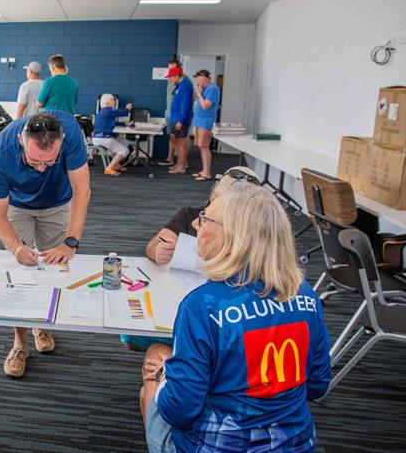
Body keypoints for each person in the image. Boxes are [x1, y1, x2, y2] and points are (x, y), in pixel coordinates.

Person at [140, 184, 331, 452]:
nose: (196, 223)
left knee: (155, 356)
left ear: (234, 237)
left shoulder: (201, 306)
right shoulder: (306, 295)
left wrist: (163, 376)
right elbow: (318, 385)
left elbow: (180, 412)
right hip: (296, 444)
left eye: (206, 218)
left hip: (217, 445)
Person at [0, 111, 91, 377]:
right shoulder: (2, 149)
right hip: (18, 205)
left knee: (52, 267)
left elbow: (83, 191)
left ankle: (41, 324)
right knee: (19, 272)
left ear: (62, 141)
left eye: (50, 161)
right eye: (35, 161)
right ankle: (20, 341)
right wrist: (17, 248)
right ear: (22, 141)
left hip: (57, 202)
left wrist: (71, 242)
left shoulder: (71, 133)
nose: (42, 168)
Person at [121, 166, 261, 353]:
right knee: (136, 337)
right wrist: (158, 250)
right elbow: (155, 243)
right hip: (184, 302)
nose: (198, 224)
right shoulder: (192, 216)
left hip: (223, 318)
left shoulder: (256, 237)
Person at [92, 93, 133, 176]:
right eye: (112, 101)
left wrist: (125, 124)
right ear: (107, 103)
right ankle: (108, 168)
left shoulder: (102, 112)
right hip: (104, 138)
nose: (114, 102)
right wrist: (128, 109)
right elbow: (123, 112)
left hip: (99, 137)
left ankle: (116, 165)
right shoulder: (109, 110)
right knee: (124, 150)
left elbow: (113, 123)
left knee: (126, 143)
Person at [192, 69, 221, 181]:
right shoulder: (204, 89)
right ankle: (204, 170)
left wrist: (199, 94)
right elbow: (198, 102)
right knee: (200, 146)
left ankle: (207, 173)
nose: (197, 81)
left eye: (198, 79)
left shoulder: (213, 89)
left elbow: (205, 106)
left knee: (204, 146)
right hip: (199, 120)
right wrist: (198, 93)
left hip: (206, 121)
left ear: (204, 77)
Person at [165, 66, 194, 175]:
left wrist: (181, 120)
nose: (170, 80)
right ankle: (179, 163)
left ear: (177, 76)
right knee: (175, 141)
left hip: (180, 119)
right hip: (175, 118)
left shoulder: (185, 86)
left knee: (181, 143)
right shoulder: (179, 85)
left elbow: (185, 105)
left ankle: (182, 166)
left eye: (171, 78)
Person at [159, 59, 184, 167]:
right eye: (169, 69)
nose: (170, 71)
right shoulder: (170, 79)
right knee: (172, 137)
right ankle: (170, 158)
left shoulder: (184, 81)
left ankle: (181, 162)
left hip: (177, 113)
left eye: (172, 68)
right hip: (168, 111)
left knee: (178, 138)